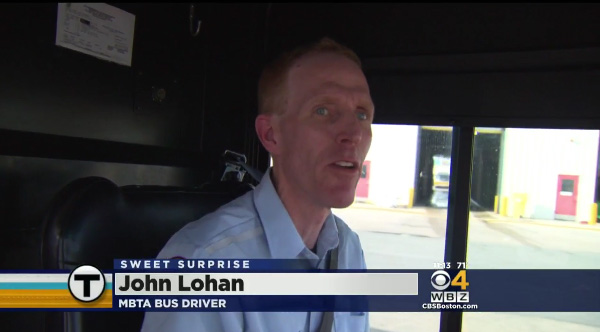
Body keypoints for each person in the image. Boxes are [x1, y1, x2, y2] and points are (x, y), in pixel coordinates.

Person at [141, 37, 374, 332]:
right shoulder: (203, 263)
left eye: (362, 114)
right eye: (323, 111)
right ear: (271, 135)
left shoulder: (349, 249)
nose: (353, 133)